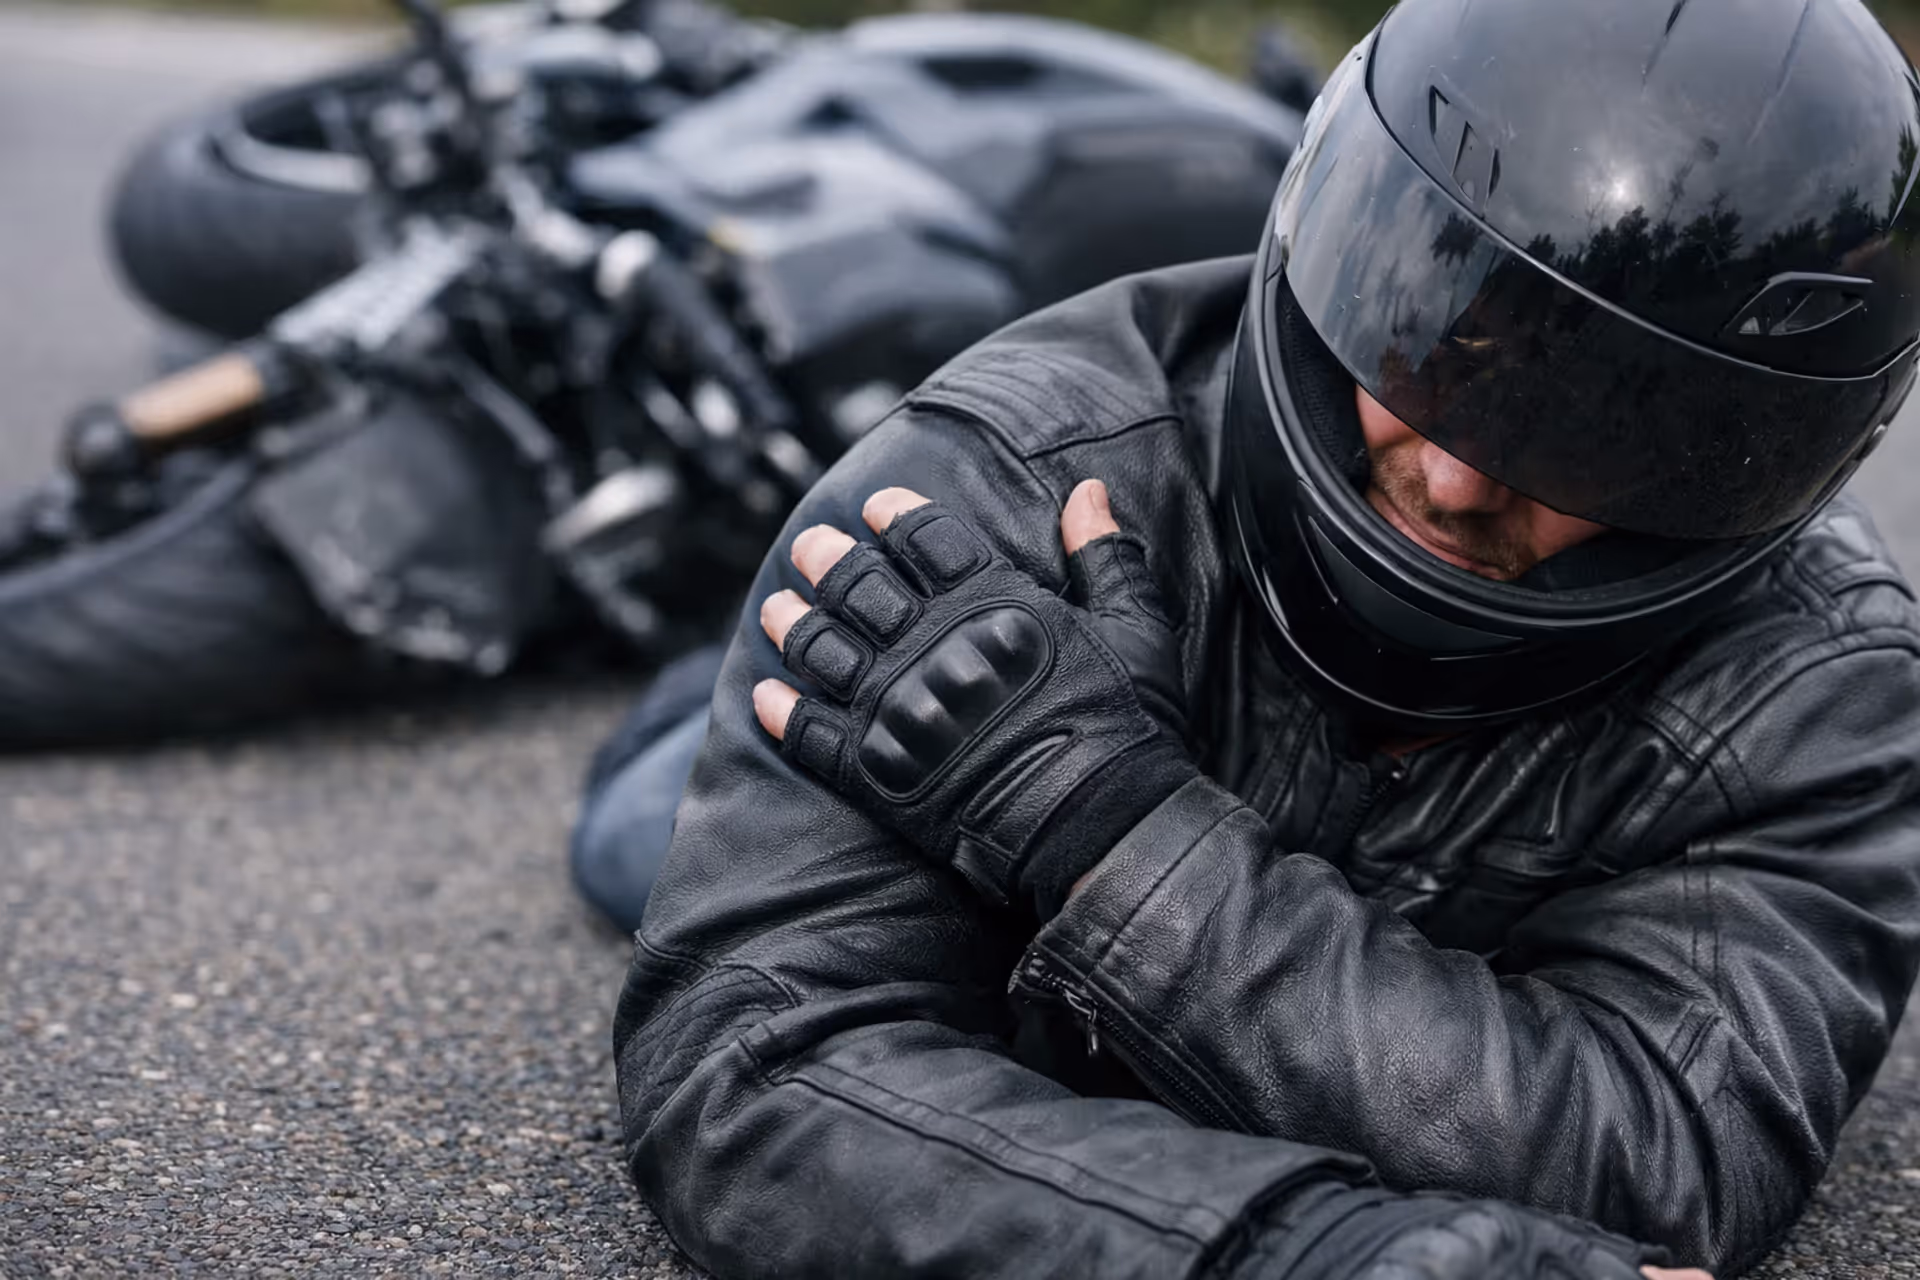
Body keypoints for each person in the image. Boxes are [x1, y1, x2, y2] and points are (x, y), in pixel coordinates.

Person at [590, 0, 1920, 1274]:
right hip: (854, 682)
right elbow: (752, 1064)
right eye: (1431, 344)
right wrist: (1306, 1250)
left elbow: (1662, 1154)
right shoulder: (1004, 476)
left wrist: (1108, 827)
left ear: (1738, 462)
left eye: (1593, 430)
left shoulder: (1824, 691)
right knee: (636, 841)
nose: (1456, 480)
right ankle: (683, 696)